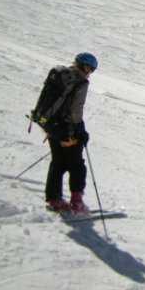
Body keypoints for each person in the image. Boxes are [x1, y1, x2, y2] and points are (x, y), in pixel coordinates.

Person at [45, 52, 98, 214]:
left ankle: (54, 199)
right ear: (86, 66)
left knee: (58, 163)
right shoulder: (80, 81)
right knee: (76, 165)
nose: (91, 73)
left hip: (51, 127)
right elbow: (76, 110)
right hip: (67, 131)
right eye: (92, 69)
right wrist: (80, 130)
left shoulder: (62, 76)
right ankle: (76, 201)